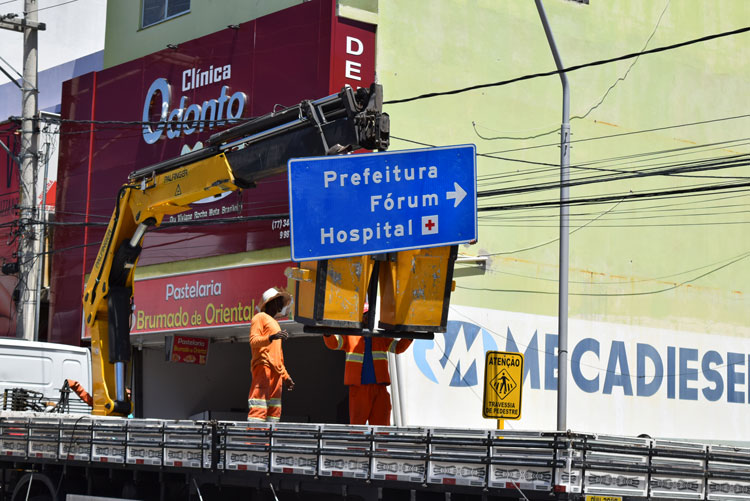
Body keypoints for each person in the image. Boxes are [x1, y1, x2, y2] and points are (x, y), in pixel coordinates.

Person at [324, 304, 412, 426]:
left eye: (369, 315)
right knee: (357, 428)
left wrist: (410, 336)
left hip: (380, 389)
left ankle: (380, 446)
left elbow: (398, 348)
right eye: (365, 315)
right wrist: (327, 334)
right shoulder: (350, 335)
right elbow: (334, 344)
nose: (368, 318)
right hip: (359, 389)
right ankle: (357, 446)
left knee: (382, 428)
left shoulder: (380, 336)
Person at [247, 287, 295, 422]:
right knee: (258, 408)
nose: (281, 304)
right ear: (271, 302)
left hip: (276, 373)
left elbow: (278, 355)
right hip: (263, 367)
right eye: (279, 301)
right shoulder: (260, 317)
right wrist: (271, 337)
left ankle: (268, 441)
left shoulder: (275, 323)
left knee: (274, 412)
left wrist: (285, 376)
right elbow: (253, 341)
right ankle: (255, 441)